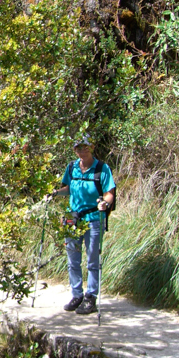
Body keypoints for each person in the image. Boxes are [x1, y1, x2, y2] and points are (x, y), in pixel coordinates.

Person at [52, 135, 116, 315]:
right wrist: (55, 193)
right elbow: (69, 189)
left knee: (92, 260)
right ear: (75, 150)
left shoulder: (102, 169)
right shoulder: (72, 167)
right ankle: (76, 295)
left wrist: (105, 203)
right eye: (79, 147)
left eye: (85, 146)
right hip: (73, 218)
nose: (82, 150)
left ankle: (91, 297)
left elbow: (109, 192)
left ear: (92, 147)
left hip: (94, 218)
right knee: (73, 259)